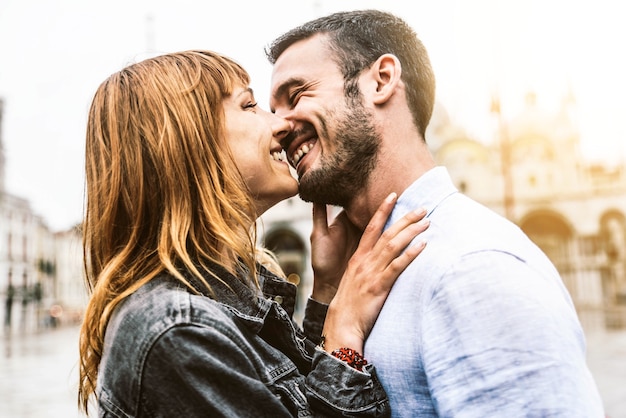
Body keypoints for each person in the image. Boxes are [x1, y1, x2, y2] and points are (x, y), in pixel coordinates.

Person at [266, 9, 604, 417]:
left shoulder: (472, 270)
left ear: (382, 80)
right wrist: (327, 295)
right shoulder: (361, 270)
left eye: (296, 94)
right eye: (272, 109)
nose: (277, 127)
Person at [77, 50, 431, 417]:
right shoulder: (176, 332)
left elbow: (295, 399)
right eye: (250, 106)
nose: (282, 125)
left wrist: (327, 289)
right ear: (189, 140)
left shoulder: (218, 299)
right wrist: (345, 330)